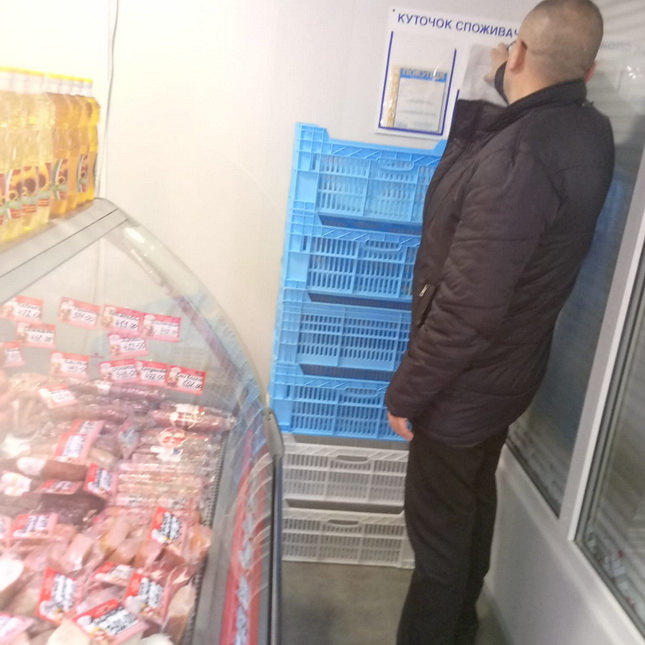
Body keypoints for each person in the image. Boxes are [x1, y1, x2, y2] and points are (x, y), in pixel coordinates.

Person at [385, 1, 614, 643]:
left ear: (519, 53)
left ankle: (437, 632)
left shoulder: (522, 155)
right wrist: (493, 88)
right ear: (589, 71)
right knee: (469, 508)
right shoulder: (585, 132)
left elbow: (466, 309)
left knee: (437, 539)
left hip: (464, 384)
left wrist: (406, 392)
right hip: (508, 373)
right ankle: (462, 624)